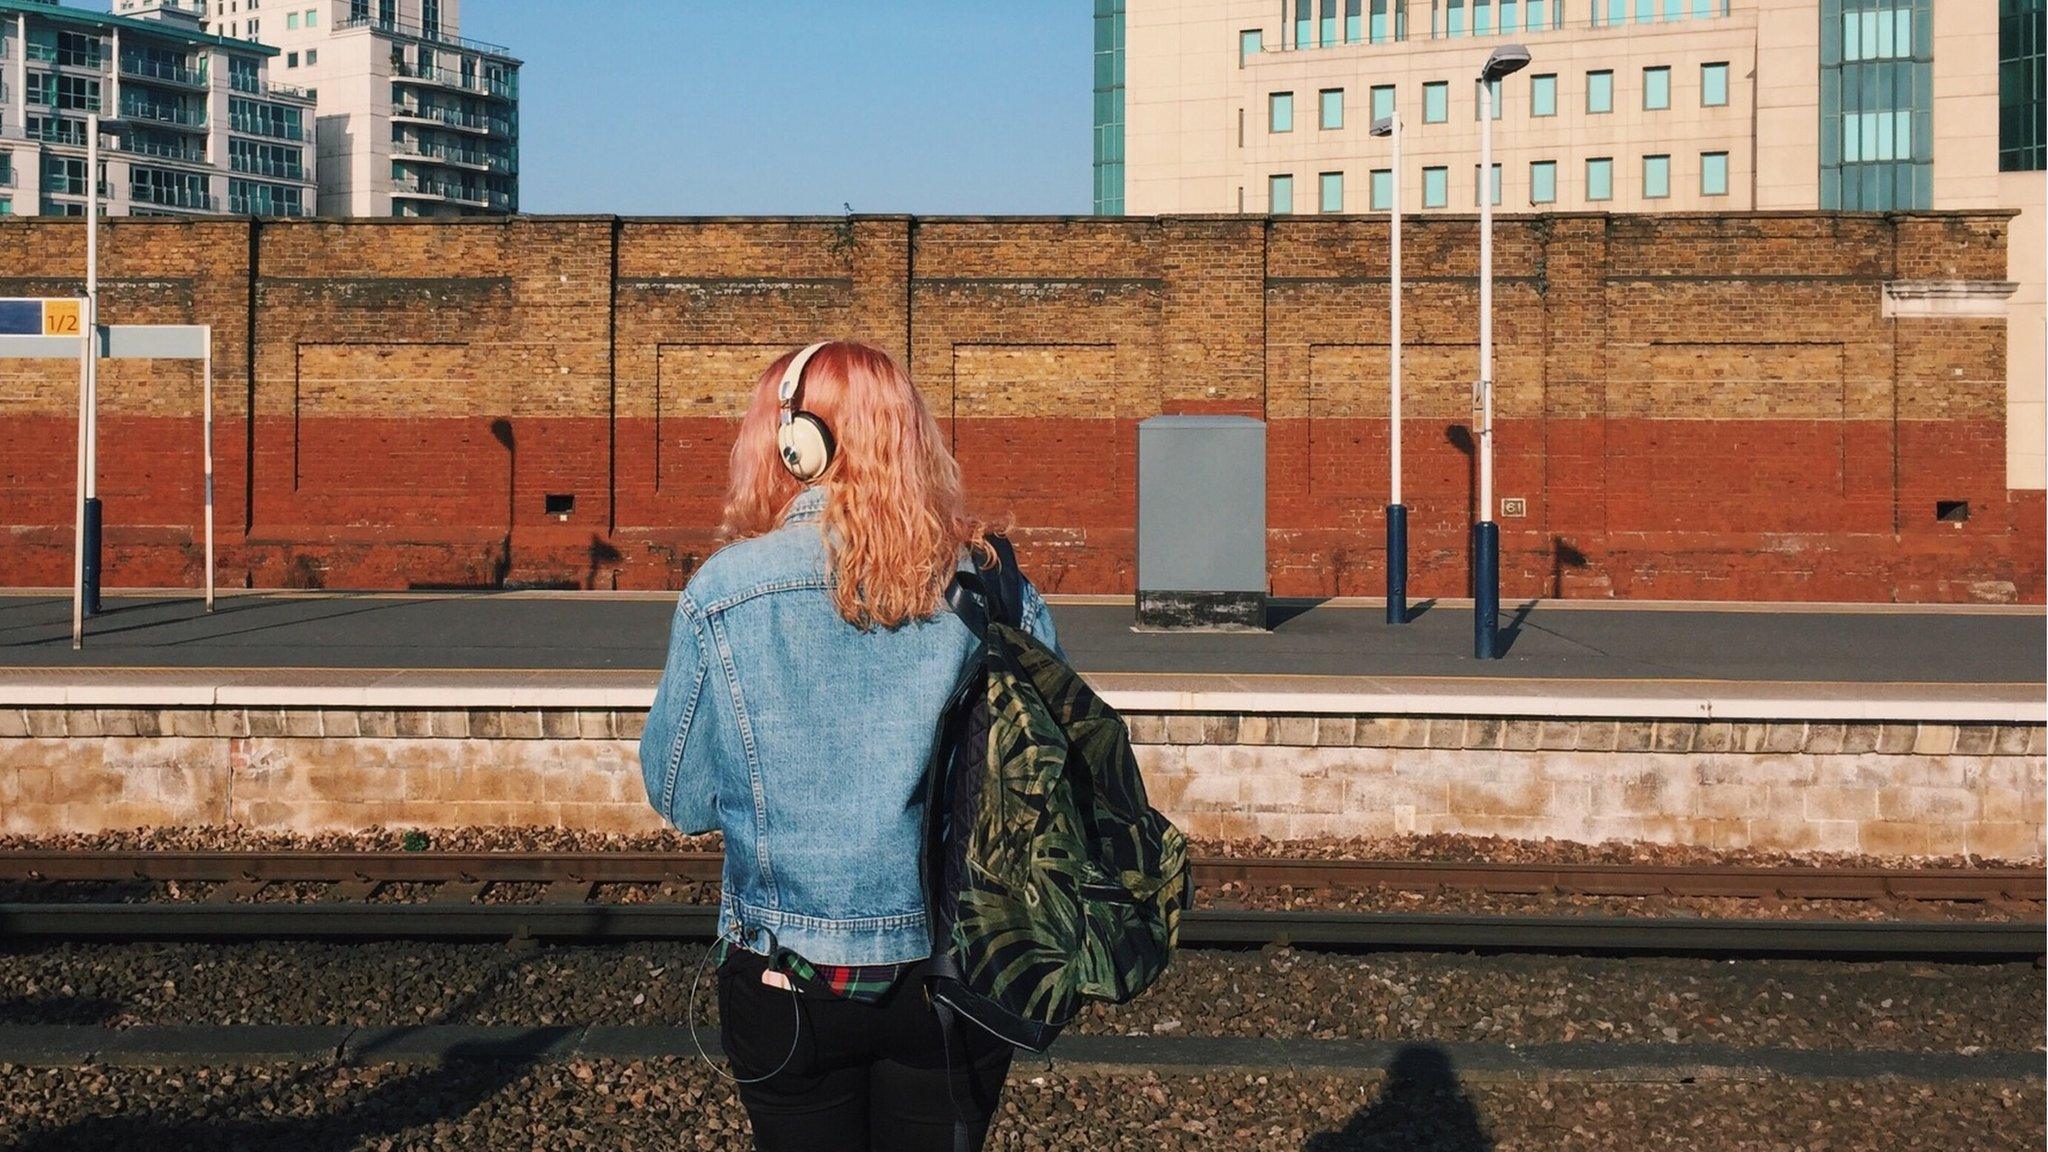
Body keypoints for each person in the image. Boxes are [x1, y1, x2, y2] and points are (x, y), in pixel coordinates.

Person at [639, 340, 1061, 1152]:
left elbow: (681, 799)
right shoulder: (997, 591)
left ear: (794, 447)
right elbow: (1047, 780)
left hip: (786, 980)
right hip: (956, 976)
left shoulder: (724, 594)